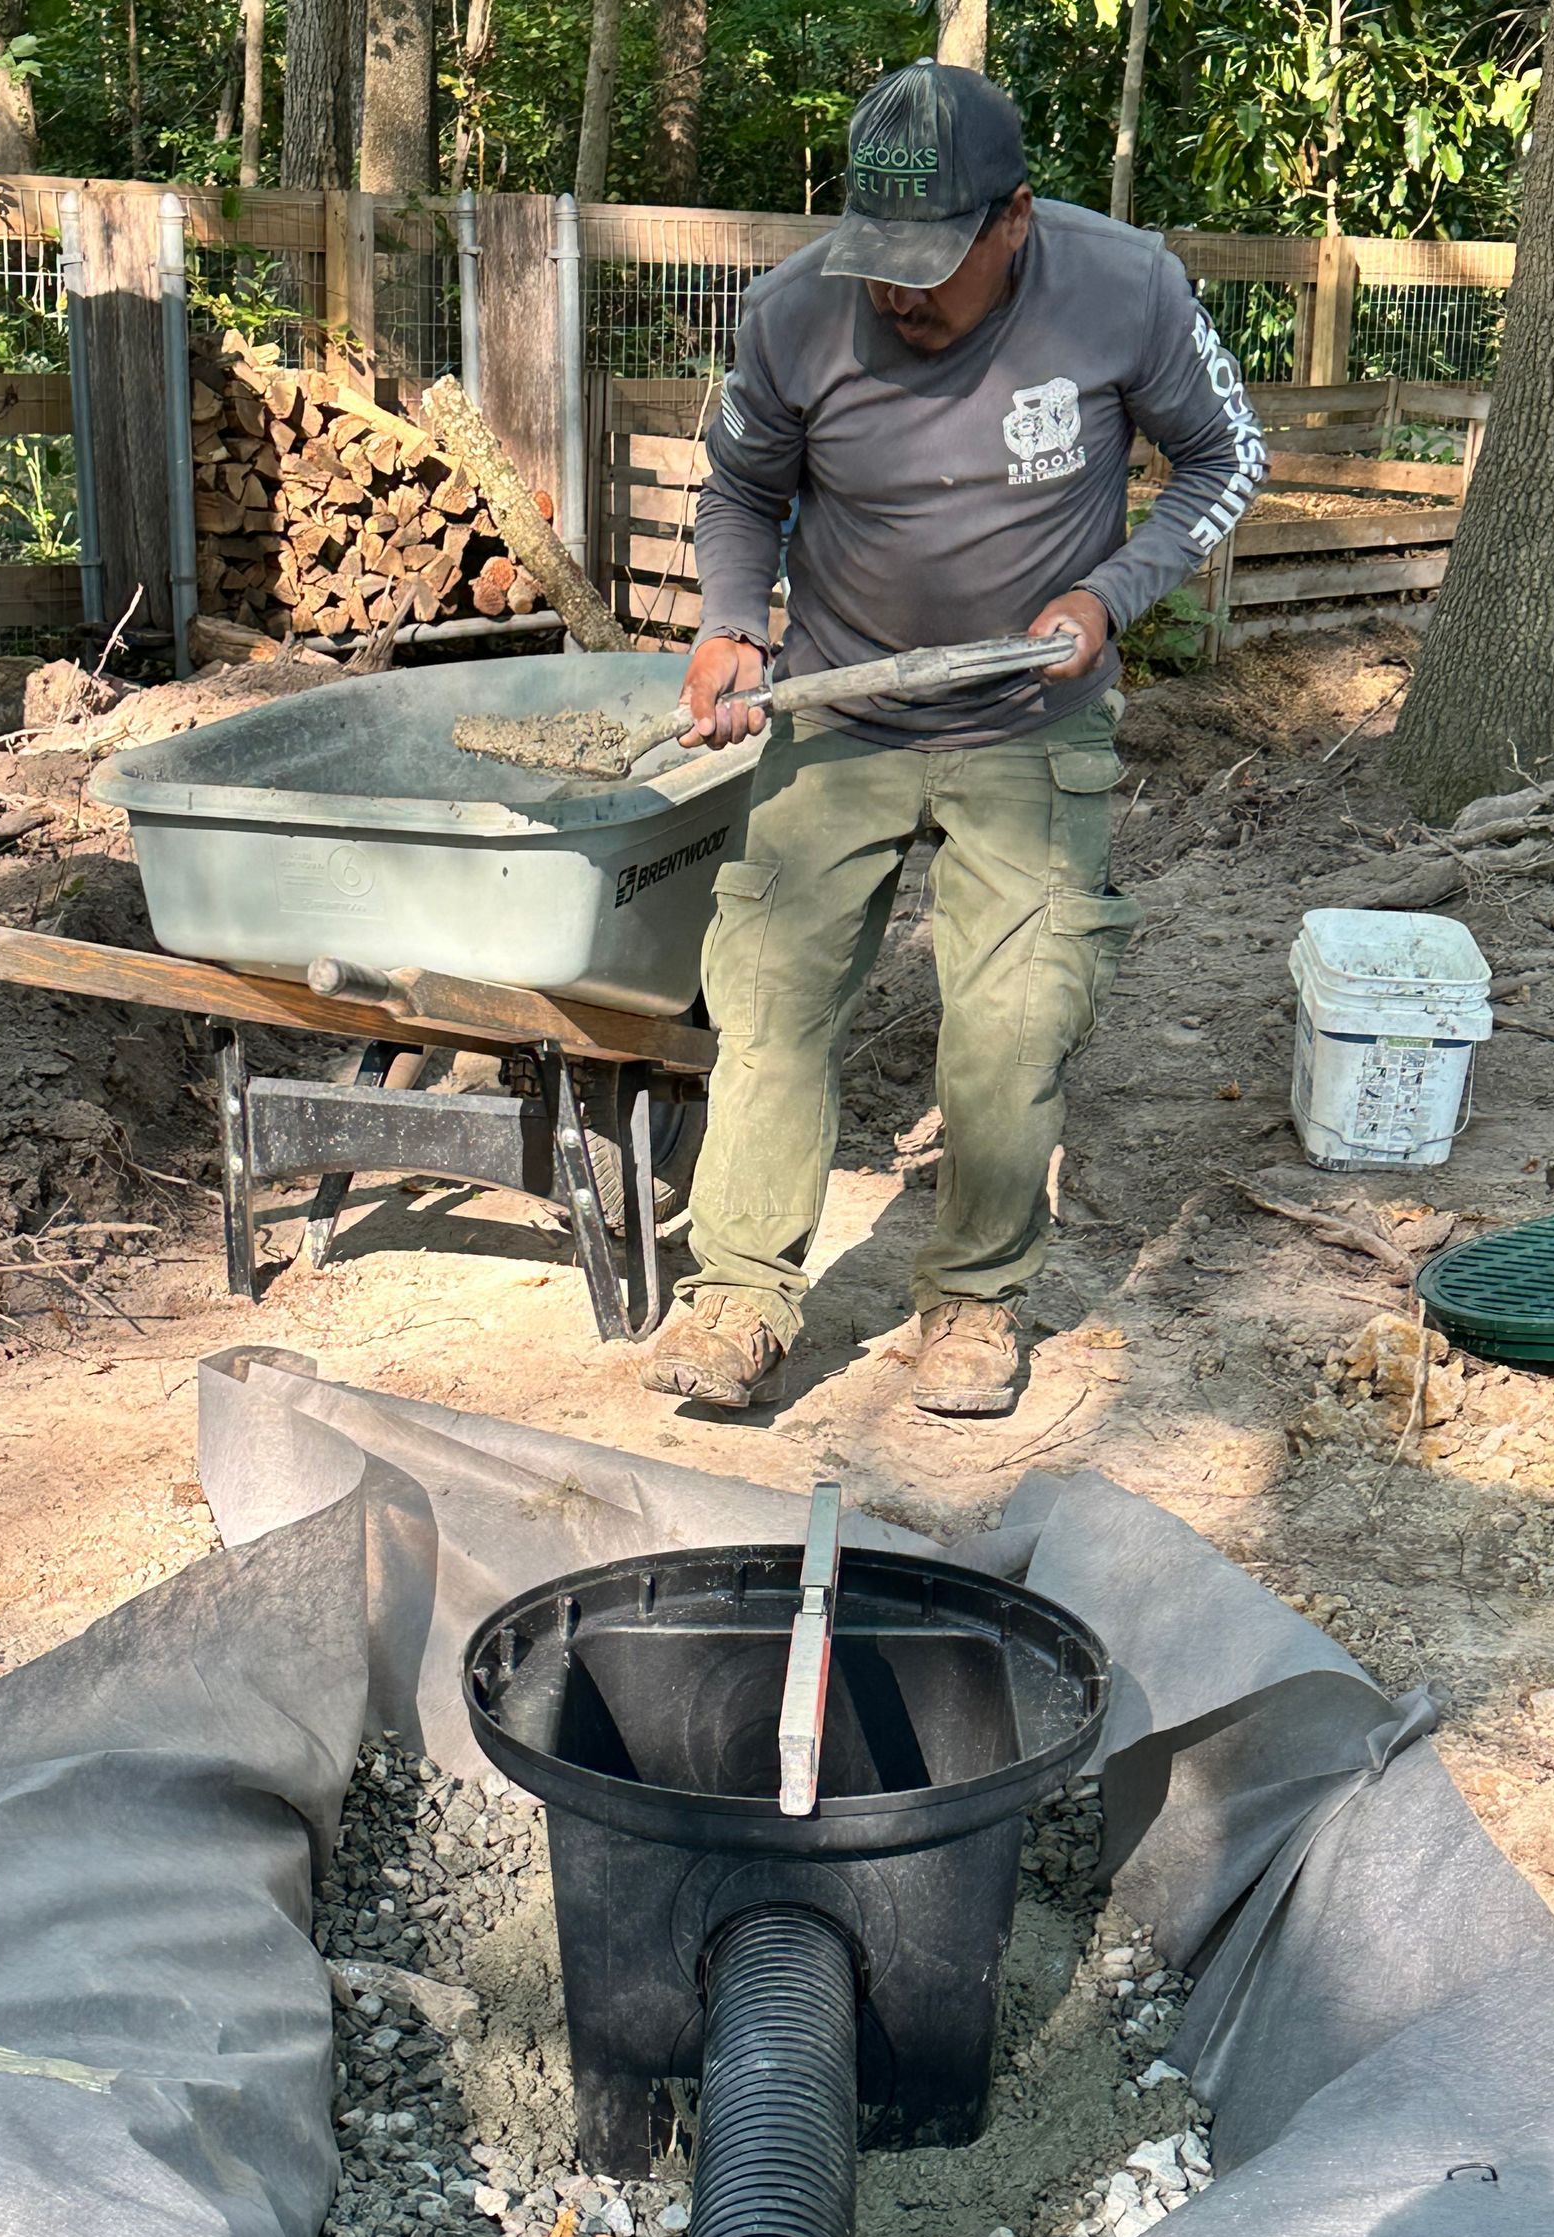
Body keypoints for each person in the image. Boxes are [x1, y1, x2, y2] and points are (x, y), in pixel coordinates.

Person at [637, 56, 1265, 1416]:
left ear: (1014, 219)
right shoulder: (794, 312)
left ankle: (974, 1302)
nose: (898, 295)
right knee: (770, 1003)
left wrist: (1111, 596)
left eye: (929, 265)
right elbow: (741, 489)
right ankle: (737, 1294)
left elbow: (1231, 460)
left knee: (1012, 1027)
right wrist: (734, 622)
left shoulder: (1128, 288)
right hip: (839, 709)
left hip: (1029, 723)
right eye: (878, 260)